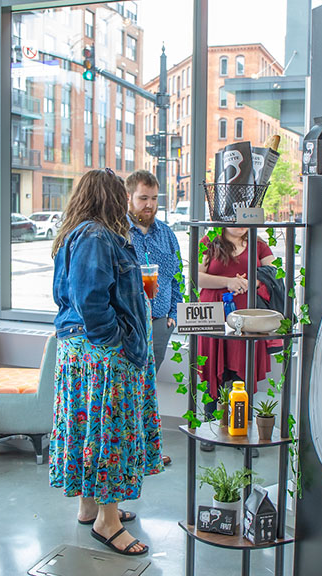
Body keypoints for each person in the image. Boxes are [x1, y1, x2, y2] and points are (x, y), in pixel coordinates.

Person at [50, 168, 163, 557]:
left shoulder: (79, 233)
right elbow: (91, 300)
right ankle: (107, 521)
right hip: (101, 356)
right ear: (112, 198)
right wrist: (115, 340)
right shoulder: (97, 236)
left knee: (88, 430)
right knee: (110, 434)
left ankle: (88, 507)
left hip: (83, 353)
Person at [196, 226, 276, 450]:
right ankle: (210, 429)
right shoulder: (209, 240)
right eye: (234, 219)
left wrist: (254, 282)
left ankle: (241, 431)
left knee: (242, 371)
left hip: (249, 319)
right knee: (213, 370)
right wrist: (228, 281)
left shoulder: (258, 244)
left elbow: (275, 274)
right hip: (214, 315)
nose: (240, 225)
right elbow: (196, 276)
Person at [126, 171, 180, 467]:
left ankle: (149, 450)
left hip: (160, 323)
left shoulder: (167, 234)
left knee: (148, 387)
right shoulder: (118, 233)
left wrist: (173, 313)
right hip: (130, 323)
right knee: (129, 387)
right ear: (129, 198)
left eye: (154, 198)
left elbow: (177, 277)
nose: (149, 204)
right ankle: (128, 449)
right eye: (143, 198)